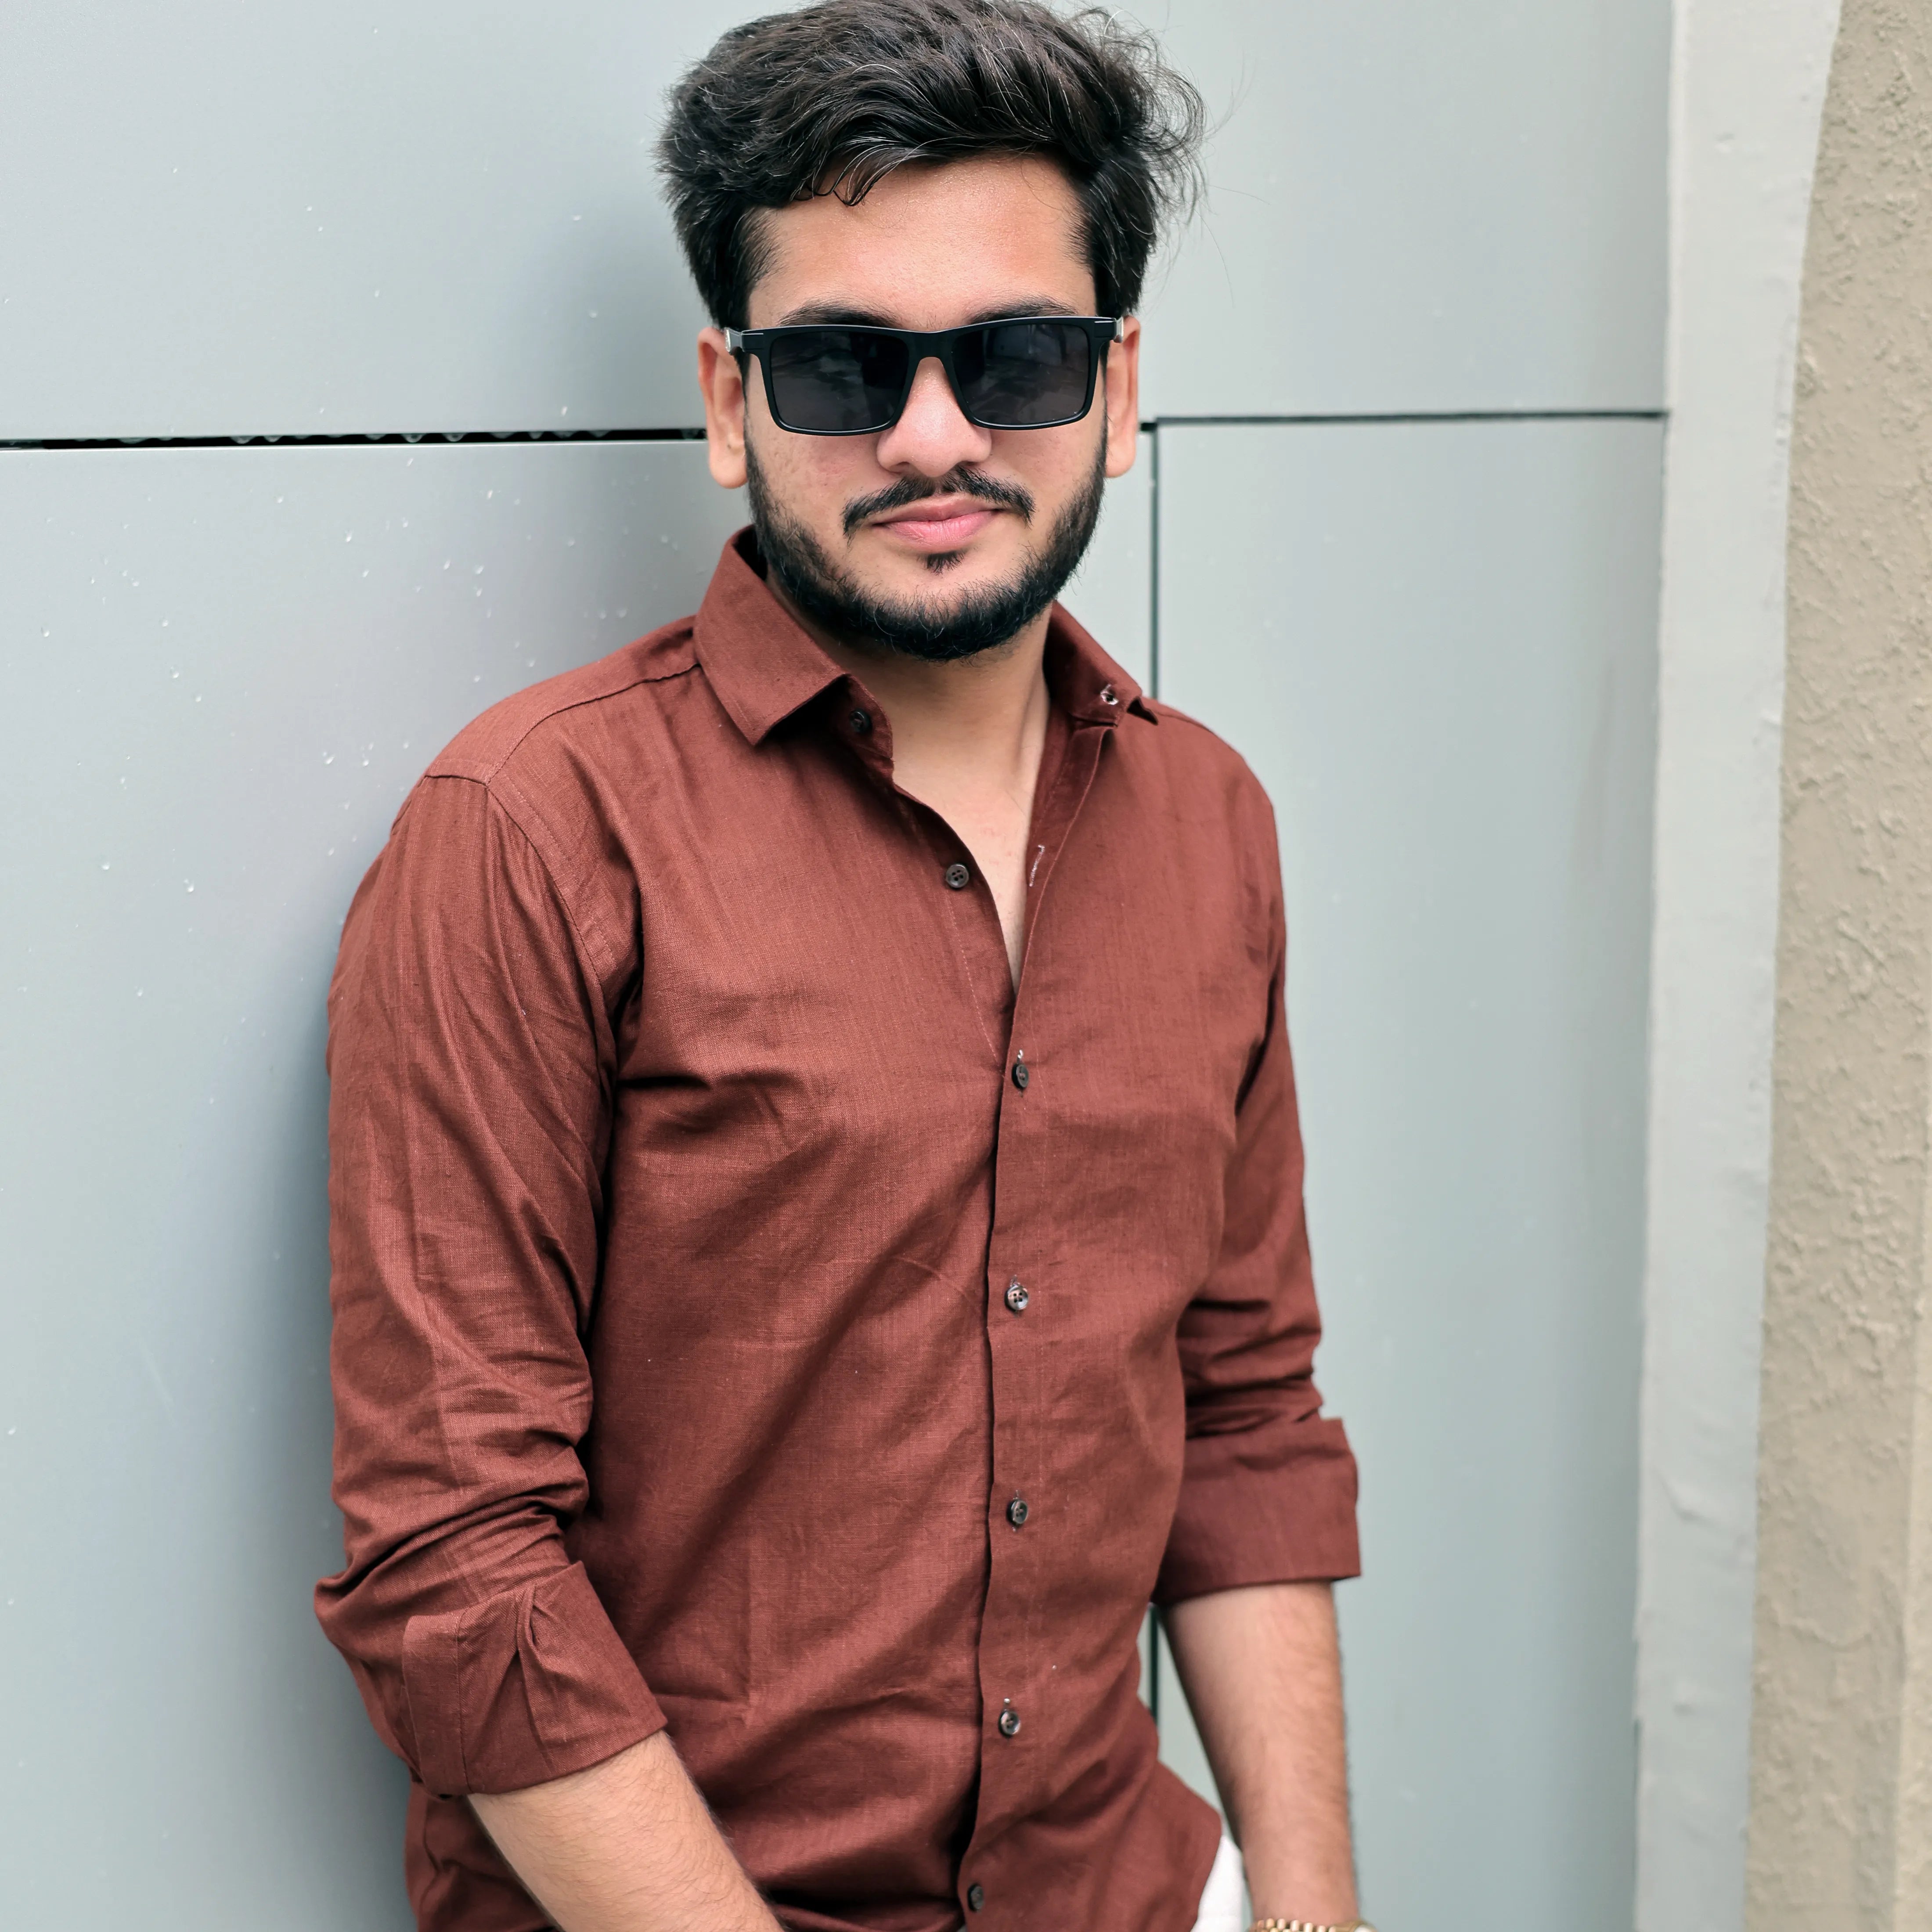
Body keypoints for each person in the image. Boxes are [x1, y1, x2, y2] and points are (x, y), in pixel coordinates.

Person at [317, 4, 1367, 1928]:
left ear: (1118, 387)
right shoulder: (532, 833)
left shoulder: (1210, 822)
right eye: (841, 366)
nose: (935, 436)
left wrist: (1308, 1910)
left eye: (1018, 358)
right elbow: (457, 1561)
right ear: (730, 401)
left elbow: (1242, 1418)